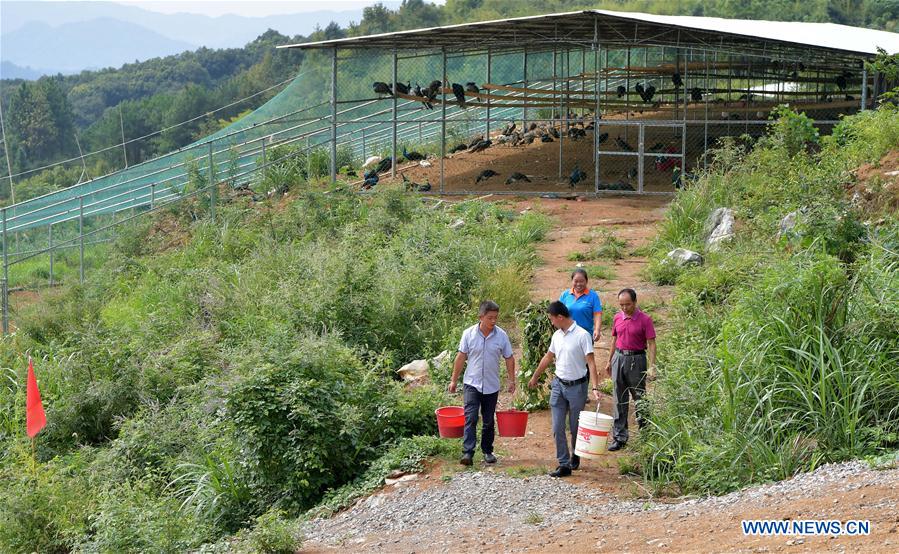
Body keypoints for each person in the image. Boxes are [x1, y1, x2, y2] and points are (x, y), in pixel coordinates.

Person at [527, 301, 600, 477]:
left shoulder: (582, 335)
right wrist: (535, 376)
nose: (551, 323)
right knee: (557, 426)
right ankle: (564, 463)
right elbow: (548, 356)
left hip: (577, 387)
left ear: (560, 317)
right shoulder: (557, 336)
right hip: (559, 385)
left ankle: (576, 454)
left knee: (575, 426)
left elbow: (591, 361)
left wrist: (595, 387)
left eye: (552, 319)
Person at [449, 300, 515, 466]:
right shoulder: (468, 334)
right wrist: (453, 380)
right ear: (481, 317)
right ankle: (467, 453)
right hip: (472, 383)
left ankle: (487, 451)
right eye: (490, 318)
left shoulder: (501, 336)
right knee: (470, 417)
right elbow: (461, 357)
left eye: (495, 318)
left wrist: (511, 379)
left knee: (488, 420)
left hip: (491, 385)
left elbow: (509, 358)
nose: (493, 321)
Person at [603, 288, 657, 451]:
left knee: (639, 397)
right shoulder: (617, 317)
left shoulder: (645, 319)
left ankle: (646, 434)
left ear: (634, 302)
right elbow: (614, 340)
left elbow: (652, 344)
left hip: (637, 359)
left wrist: (651, 367)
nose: (624, 308)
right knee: (619, 398)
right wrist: (609, 361)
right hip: (619, 358)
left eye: (627, 304)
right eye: (621, 305)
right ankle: (619, 437)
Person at [559, 268, 603, 342]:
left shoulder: (593, 296)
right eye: (576, 281)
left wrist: (597, 330)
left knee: (585, 354)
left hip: (585, 335)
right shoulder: (565, 295)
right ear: (572, 281)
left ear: (586, 281)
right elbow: (558, 312)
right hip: (567, 334)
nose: (578, 284)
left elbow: (597, 314)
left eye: (581, 281)